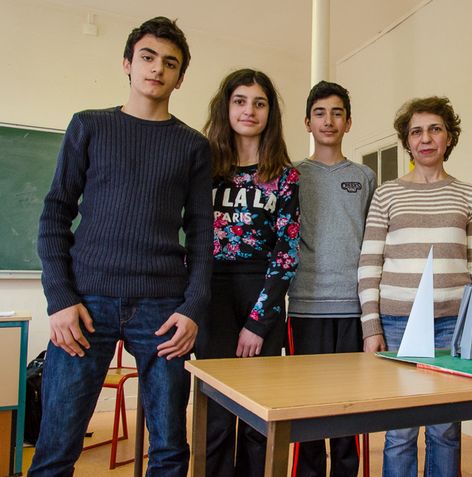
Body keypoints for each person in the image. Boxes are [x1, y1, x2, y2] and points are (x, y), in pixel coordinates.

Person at [30, 16, 212, 477]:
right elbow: (54, 215)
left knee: (170, 446)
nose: (157, 69)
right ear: (128, 64)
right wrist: (60, 298)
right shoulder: (88, 126)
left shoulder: (192, 145)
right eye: (148, 58)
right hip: (85, 302)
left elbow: (202, 233)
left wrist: (193, 307)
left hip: (163, 307)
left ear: (180, 76)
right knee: (56, 445)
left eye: (170, 63)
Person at [358, 96, 472, 477]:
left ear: (449, 137)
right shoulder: (387, 194)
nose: (426, 138)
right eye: (416, 131)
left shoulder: (468, 195)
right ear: (407, 141)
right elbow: (370, 262)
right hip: (398, 324)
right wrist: (372, 327)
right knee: (400, 430)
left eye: (435, 129)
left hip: (454, 323)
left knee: (446, 430)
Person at [196, 68, 300, 477]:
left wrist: (258, 322)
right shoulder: (204, 167)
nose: (249, 111)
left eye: (259, 103)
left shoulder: (286, 176)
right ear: (227, 107)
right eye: (240, 101)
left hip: (263, 292)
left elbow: (287, 252)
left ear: (270, 112)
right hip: (211, 292)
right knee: (217, 414)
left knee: (260, 415)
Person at [287, 81, 376, 477]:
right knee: (307, 410)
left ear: (349, 122)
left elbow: (375, 243)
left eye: (337, 113)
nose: (328, 120)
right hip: (305, 307)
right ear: (307, 121)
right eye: (320, 112)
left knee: (348, 410)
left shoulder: (365, 176)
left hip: (354, 309)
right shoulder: (291, 175)